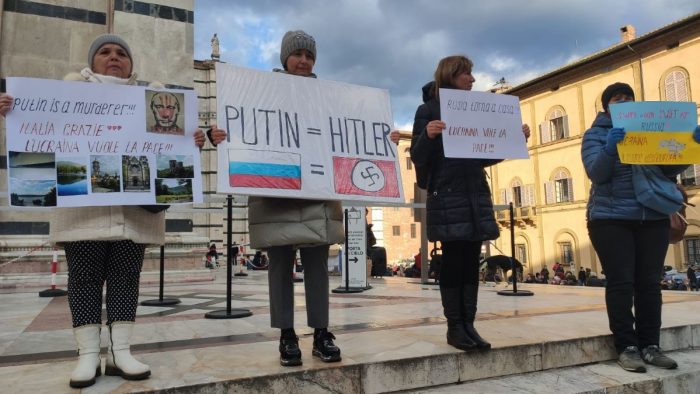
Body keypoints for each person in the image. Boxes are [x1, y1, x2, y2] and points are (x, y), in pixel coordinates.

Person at [0, 34, 226, 389]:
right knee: (85, 279)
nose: (114, 57)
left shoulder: (152, 99)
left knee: (126, 279)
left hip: (132, 211)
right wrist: (14, 111)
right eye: (105, 52)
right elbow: (35, 137)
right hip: (82, 211)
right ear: (92, 61)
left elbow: (172, 152)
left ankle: (122, 351)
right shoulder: (65, 96)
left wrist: (191, 142)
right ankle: (88, 355)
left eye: (121, 52)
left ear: (131, 62)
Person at [410, 55, 530, 352]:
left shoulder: (474, 110)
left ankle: (469, 325)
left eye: (471, 74)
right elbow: (418, 156)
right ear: (451, 75)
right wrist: (427, 135)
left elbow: (485, 154)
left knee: (470, 265)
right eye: (466, 74)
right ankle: (455, 328)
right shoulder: (427, 110)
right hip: (448, 196)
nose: (472, 80)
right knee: (454, 263)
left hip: (475, 195)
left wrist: (513, 139)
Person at [581, 82, 700, 373]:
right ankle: (626, 346)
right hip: (610, 218)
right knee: (621, 283)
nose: (623, 102)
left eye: (628, 98)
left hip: (652, 216)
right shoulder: (595, 134)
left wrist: (691, 146)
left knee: (649, 285)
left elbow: (668, 167)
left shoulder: (650, 128)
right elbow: (596, 173)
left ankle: (651, 345)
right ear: (606, 105)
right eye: (617, 99)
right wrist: (611, 147)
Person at [246, 30, 344, 367]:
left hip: (317, 190)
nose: (303, 61)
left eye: (309, 56)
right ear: (284, 58)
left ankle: (321, 332)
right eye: (297, 54)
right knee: (280, 268)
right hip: (277, 191)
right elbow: (246, 128)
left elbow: (345, 132)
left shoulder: (327, 95)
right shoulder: (260, 93)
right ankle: (286, 334)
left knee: (318, 267)